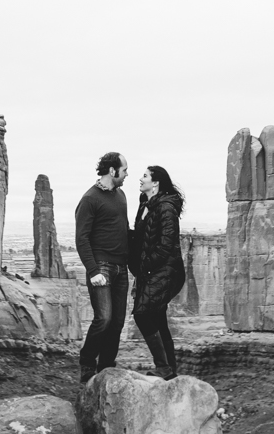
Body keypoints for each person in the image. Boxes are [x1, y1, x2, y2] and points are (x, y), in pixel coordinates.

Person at [74, 150, 131, 382]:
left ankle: (106, 368)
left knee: (117, 322)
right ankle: (87, 364)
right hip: (102, 267)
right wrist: (93, 270)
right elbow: (81, 238)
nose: (127, 174)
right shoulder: (90, 199)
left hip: (121, 268)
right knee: (103, 318)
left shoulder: (121, 195)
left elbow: (123, 230)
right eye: (124, 170)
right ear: (112, 170)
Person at [128, 164, 187, 379]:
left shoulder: (166, 207)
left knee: (143, 314)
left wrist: (145, 265)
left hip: (165, 271)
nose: (140, 179)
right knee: (158, 318)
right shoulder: (145, 204)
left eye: (144, 176)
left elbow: (166, 244)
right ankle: (170, 370)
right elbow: (141, 237)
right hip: (150, 272)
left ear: (156, 182)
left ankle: (163, 366)